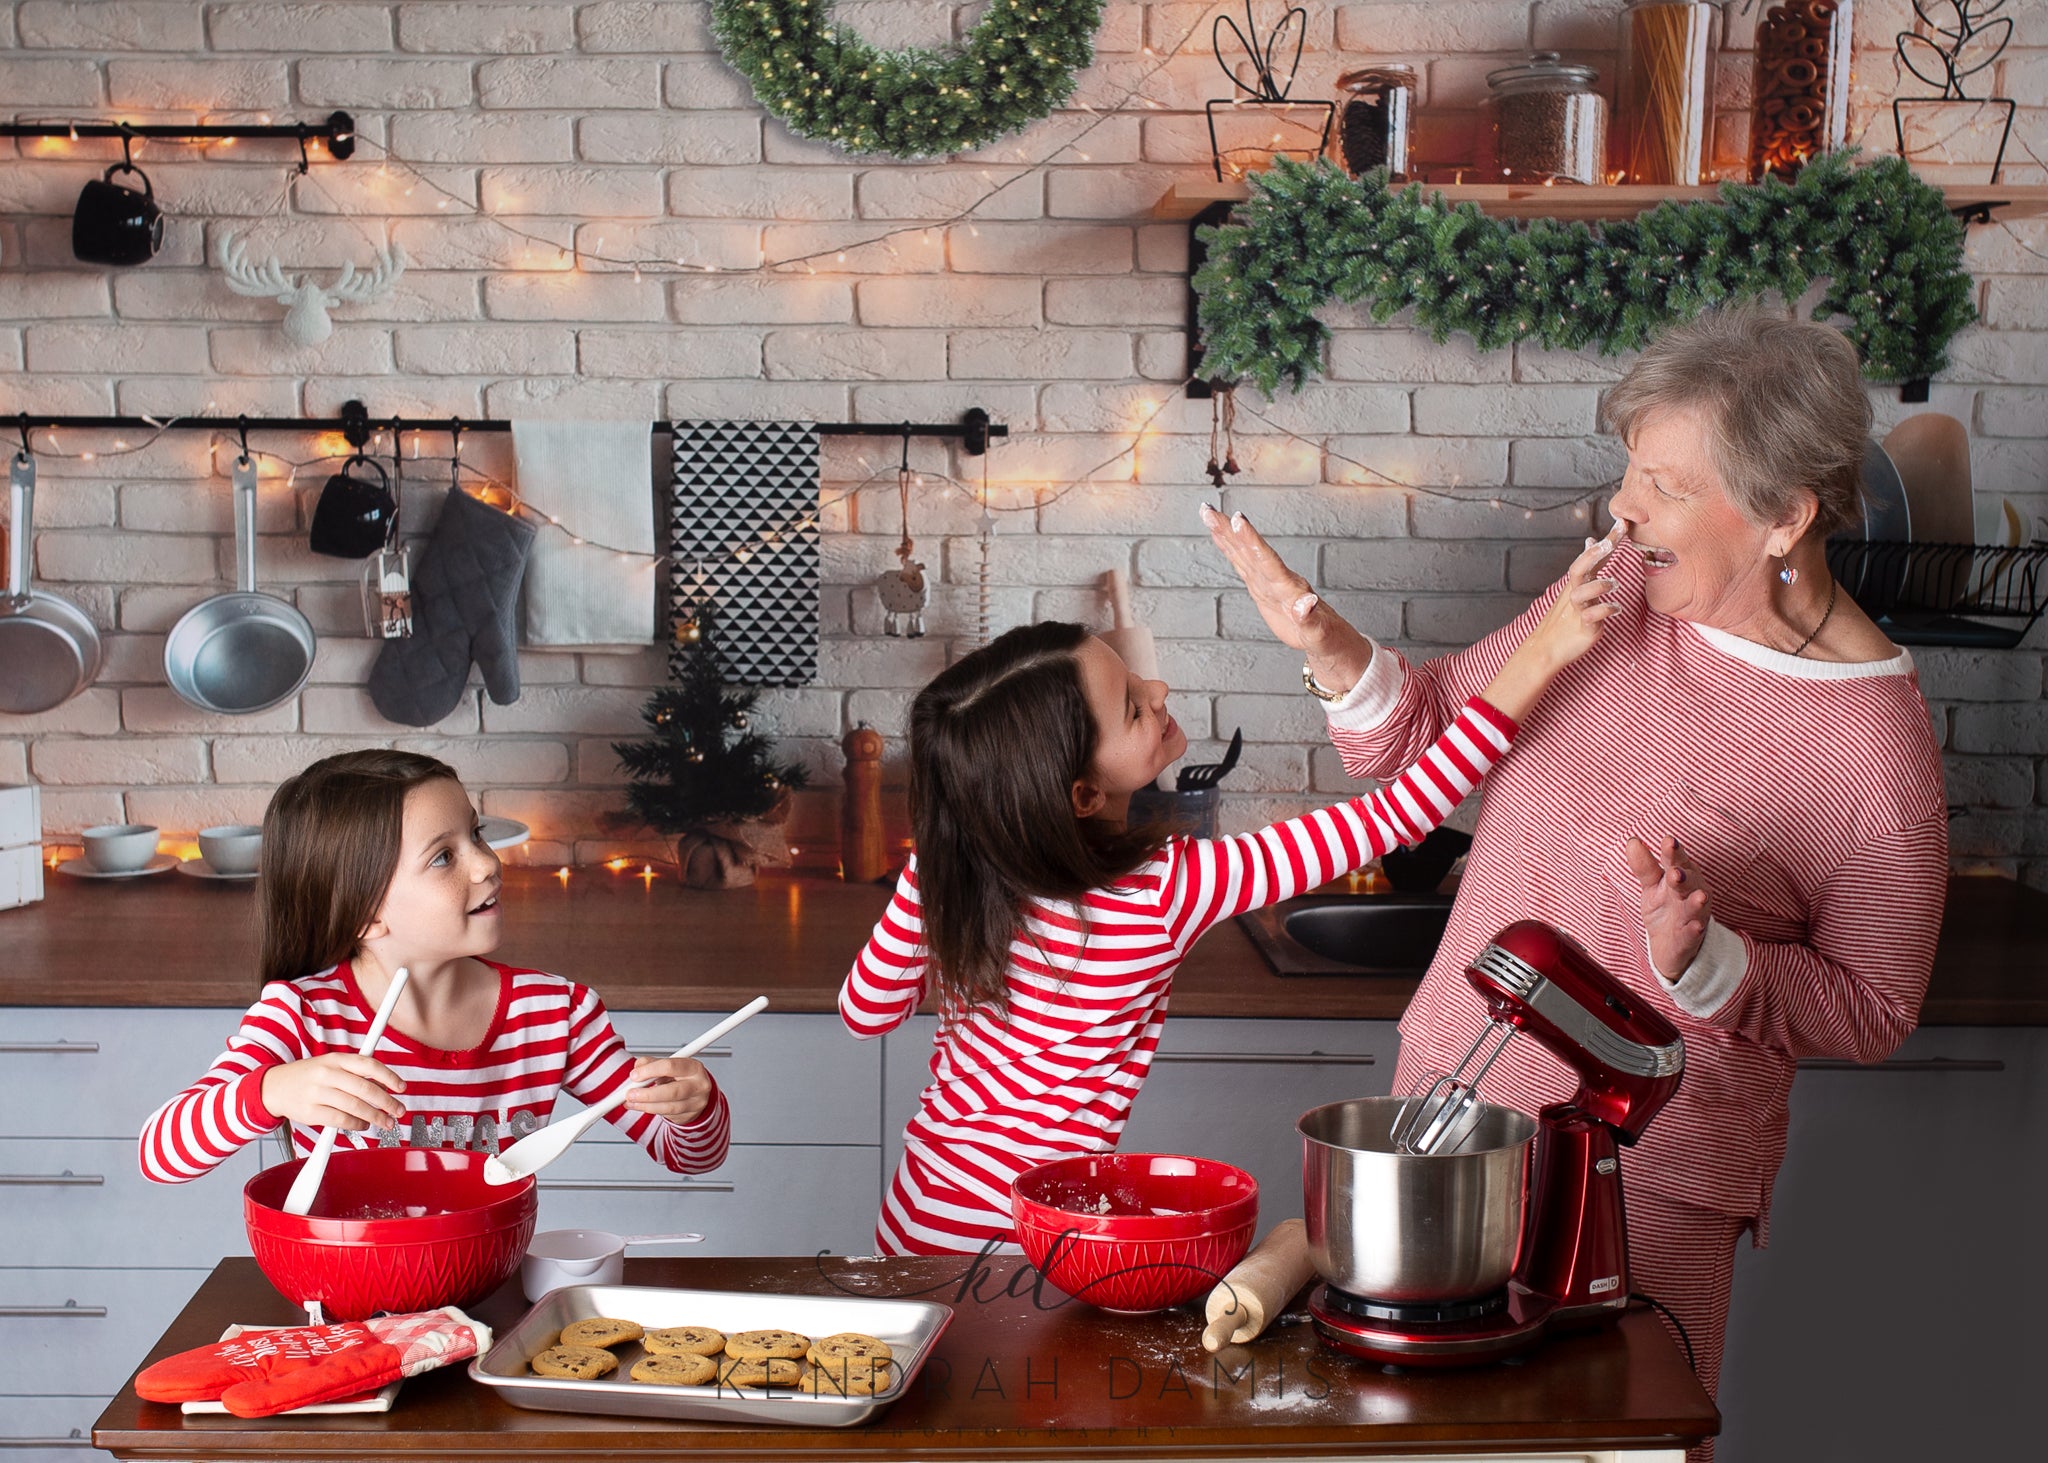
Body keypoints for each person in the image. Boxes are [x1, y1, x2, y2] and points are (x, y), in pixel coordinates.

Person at [1206, 308, 1947, 1456]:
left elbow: (1873, 1007)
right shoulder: (1613, 602)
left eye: (1660, 481)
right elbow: (1416, 735)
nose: (1622, 507)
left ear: (1782, 515)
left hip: (1649, 1180)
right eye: (1626, 469)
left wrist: (1708, 964)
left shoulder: (1873, 750)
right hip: (1446, 1115)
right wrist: (1325, 644)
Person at [839, 541, 1615, 1257]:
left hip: (913, 1227)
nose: (1159, 688)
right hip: (1044, 1241)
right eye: (1135, 707)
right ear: (1080, 792)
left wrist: (933, 860)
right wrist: (1541, 652)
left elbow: (865, 1013)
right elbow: (1399, 812)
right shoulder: (1168, 888)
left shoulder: (962, 874)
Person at [140, 750, 730, 1184]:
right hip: (352, 1312)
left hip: (492, 1293)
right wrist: (271, 1090)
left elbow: (689, 1156)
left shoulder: (554, 1014)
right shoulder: (303, 1016)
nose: (486, 864)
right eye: (444, 856)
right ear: (365, 916)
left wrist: (693, 1106)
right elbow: (160, 1152)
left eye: (475, 834)